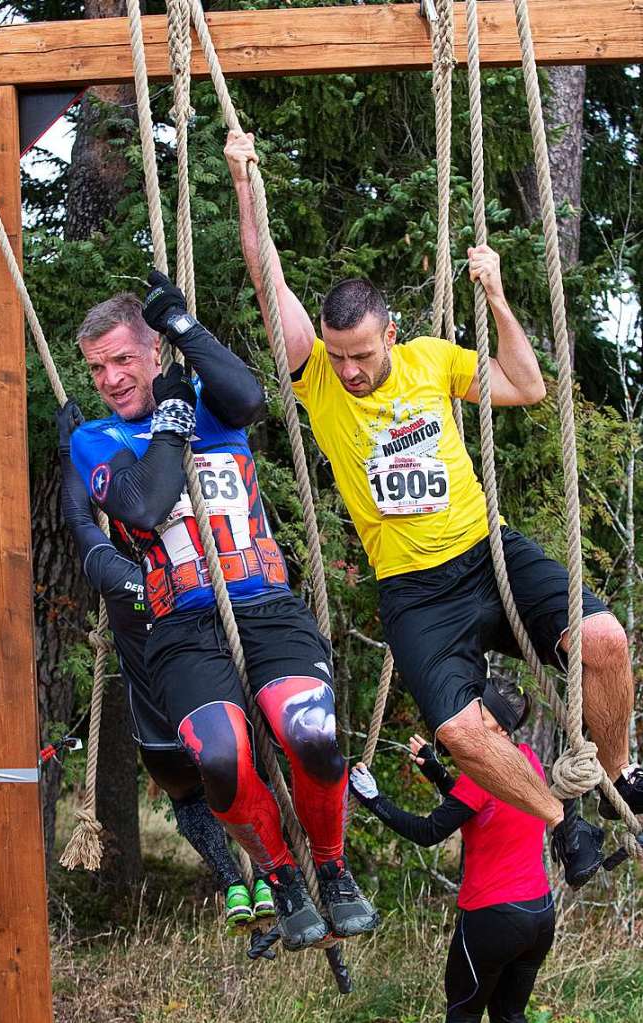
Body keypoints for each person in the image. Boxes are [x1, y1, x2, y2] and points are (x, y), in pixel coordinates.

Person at [225, 128, 642, 887]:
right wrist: (244, 181)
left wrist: (495, 295)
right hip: (414, 587)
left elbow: (526, 385)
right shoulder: (318, 378)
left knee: (605, 639)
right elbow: (265, 276)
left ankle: (617, 775)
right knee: (458, 729)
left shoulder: (428, 360)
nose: (349, 369)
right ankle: (560, 823)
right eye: (337, 353)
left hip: (487, 552)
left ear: (390, 333)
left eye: (361, 352)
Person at [68, 273, 379, 950]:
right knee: (220, 757)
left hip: (264, 605)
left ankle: (331, 867)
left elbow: (250, 396)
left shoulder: (208, 400)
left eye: (123, 359)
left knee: (314, 735)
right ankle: (281, 876)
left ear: (153, 355)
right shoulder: (95, 438)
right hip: (181, 628)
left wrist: (181, 323)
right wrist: (171, 424)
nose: (111, 379)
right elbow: (147, 503)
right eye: (97, 367)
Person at [56, 402, 273, 930]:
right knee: (247, 775)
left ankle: (230, 882)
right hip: (211, 711)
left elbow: (81, 519)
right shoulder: (198, 579)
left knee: (189, 801)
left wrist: (71, 453)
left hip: (160, 734)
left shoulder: (111, 573)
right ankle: (269, 875)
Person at [350, 677, 560, 1023]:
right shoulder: (527, 760)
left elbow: (429, 831)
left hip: (495, 917)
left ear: (500, 727)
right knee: (510, 1016)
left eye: (480, 714)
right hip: (539, 916)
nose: (469, 719)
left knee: (463, 1014)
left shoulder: (481, 775)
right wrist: (437, 773)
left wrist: (375, 800)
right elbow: (483, 810)